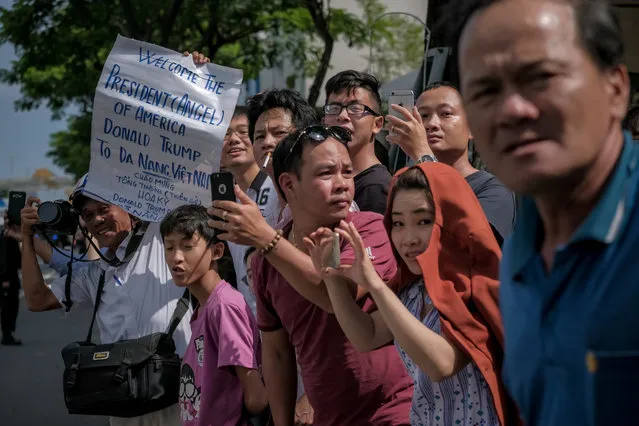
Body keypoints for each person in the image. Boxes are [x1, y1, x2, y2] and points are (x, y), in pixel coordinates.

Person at [448, 0, 638, 424]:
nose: (513, 109)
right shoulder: (520, 252)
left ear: (615, 88)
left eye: (541, 77)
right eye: (485, 91)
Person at [209, 126, 414, 425]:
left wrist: (265, 239)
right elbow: (277, 353)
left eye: (348, 172)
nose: (343, 184)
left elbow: (335, 295)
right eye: (327, 173)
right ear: (289, 185)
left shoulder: (369, 228)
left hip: (394, 411)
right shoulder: (267, 261)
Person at [305, 163, 519, 425]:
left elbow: (441, 364)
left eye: (424, 221)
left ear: (451, 220)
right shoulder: (413, 290)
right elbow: (367, 336)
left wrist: (376, 285)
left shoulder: (477, 286)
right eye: (398, 223)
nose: (408, 238)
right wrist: (332, 277)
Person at [19, 175, 191, 426]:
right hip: (124, 400)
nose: (97, 220)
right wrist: (26, 237)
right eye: (88, 215)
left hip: (176, 395)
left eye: (103, 209)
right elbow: (37, 300)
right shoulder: (94, 274)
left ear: (128, 206)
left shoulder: (159, 236)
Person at [160, 205, 267, 426]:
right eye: (169, 247)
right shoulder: (205, 305)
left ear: (216, 252)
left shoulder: (224, 306)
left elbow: (256, 397)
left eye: (187, 246)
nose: (176, 258)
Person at [386, 82, 516, 244]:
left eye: (446, 114)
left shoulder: (493, 189)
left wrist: (423, 154)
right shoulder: (404, 187)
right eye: (423, 116)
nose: (432, 124)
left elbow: (469, 245)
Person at [220, 106, 280, 314]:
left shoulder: (277, 187)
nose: (234, 139)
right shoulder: (224, 200)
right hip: (249, 323)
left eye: (243, 132)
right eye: (226, 134)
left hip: (281, 313)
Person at [323, 70, 392, 214]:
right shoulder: (325, 182)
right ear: (323, 122)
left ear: (377, 124)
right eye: (334, 108)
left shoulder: (376, 187)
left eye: (355, 108)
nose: (342, 116)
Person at [0, 227, 21, 345]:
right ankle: (7, 336)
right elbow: (4, 258)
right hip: (8, 279)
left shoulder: (10, 237)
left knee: (11, 307)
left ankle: (8, 334)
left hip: (10, 277)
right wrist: (5, 278)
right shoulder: (7, 238)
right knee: (9, 308)